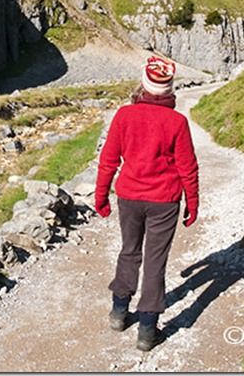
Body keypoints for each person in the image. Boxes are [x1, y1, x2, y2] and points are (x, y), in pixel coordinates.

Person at [94, 55, 199, 352]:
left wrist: (101, 196)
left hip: (128, 196)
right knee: (155, 261)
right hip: (164, 200)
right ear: (169, 89)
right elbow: (188, 167)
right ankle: (147, 330)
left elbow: (108, 161)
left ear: (143, 84)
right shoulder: (177, 122)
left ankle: (118, 312)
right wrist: (193, 203)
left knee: (129, 251)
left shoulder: (124, 116)